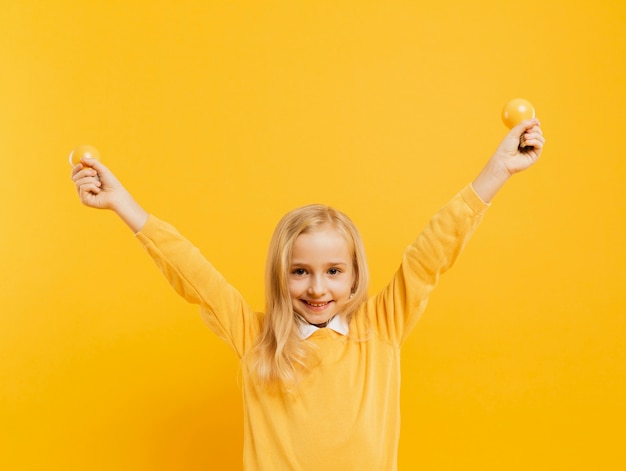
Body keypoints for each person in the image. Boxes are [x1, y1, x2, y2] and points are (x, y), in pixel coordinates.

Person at [71, 119, 544, 470]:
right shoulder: (253, 336)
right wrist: (122, 204)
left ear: (356, 276)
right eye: (300, 271)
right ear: (280, 276)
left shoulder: (381, 327)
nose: (317, 288)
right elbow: (189, 270)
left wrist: (496, 171)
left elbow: (432, 252)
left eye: (334, 271)